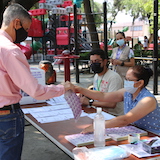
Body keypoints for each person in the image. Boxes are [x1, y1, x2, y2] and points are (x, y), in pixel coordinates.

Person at [0, 3, 75, 160]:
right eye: (26, 29)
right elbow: (35, 91)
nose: (26, 33)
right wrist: (63, 88)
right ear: (16, 23)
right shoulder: (10, 50)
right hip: (6, 116)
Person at [75, 65, 160, 135]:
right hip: (136, 132)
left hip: (152, 135)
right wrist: (80, 89)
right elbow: (103, 96)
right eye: (125, 79)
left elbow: (125, 120)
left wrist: (98, 125)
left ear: (140, 83)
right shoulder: (127, 92)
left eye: (129, 80)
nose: (126, 82)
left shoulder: (148, 100)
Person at [80, 49, 124, 116]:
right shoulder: (96, 76)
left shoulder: (114, 78)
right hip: (99, 112)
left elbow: (112, 104)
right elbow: (98, 92)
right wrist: (87, 95)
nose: (94, 64)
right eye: (91, 62)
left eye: (97, 61)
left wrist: (89, 102)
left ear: (105, 61)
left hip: (113, 115)